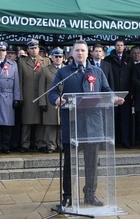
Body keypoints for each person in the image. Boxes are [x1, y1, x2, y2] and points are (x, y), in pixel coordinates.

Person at [48, 40, 124, 207]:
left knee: (92, 163)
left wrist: (114, 98)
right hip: (72, 124)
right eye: (77, 51)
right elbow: (52, 92)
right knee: (69, 163)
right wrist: (57, 99)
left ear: (87, 53)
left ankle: (90, 193)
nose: (80, 53)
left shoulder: (97, 71)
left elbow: (107, 90)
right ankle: (67, 195)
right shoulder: (65, 72)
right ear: (72, 53)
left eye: (83, 50)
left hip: (93, 125)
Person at [18, 38, 50, 153]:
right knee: (26, 121)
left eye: (36, 48)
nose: (34, 50)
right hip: (28, 95)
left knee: (40, 122)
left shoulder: (45, 61)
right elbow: (20, 81)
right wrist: (20, 96)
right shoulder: (22, 62)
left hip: (41, 95)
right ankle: (25, 144)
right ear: (27, 50)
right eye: (31, 48)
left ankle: (40, 143)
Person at [104, 38, 133, 148]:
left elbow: (132, 76)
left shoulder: (129, 59)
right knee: (113, 119)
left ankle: (125, 141)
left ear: (124, 46)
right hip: (112, 93)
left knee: (125, 119)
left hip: (126, 94)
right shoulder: (108, 59)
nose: (119, 47)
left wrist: (131, 92)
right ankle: (112, 141)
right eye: (117, 45)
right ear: (114, 46)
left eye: (121, 45)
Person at [38, 47, 64, 154]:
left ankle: (61, 144)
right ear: (51, 57)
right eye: (56, 56)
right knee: (51, 125)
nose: (58, 58)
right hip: (50, 100)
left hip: (64, 100)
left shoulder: (66, 69)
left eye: (60, 56)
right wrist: (42, 102)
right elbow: (41, 88)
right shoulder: (45, 70)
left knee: (62, 124)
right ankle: (51, 145)